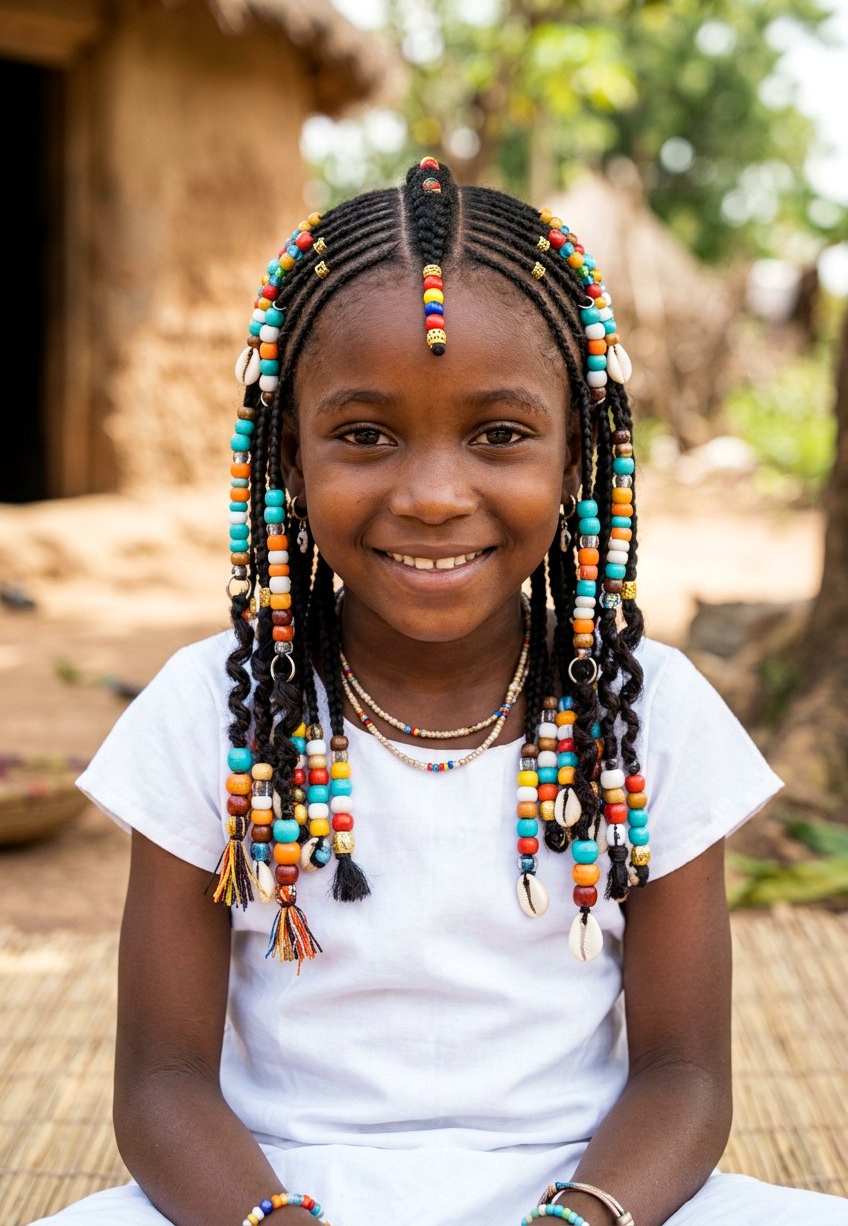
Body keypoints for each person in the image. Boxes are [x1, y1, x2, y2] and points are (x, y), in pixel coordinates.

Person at [31, 160, 847, 1226]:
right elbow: (162, 1084)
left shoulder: (649, 709)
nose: (429, 495)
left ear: (574, 459)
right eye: (364, 436)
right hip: (273, 1194)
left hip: (585, 1193)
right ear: (287, 454)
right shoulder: (211, 710)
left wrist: (576, 1218)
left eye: (497, 436)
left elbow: (684, 1078)